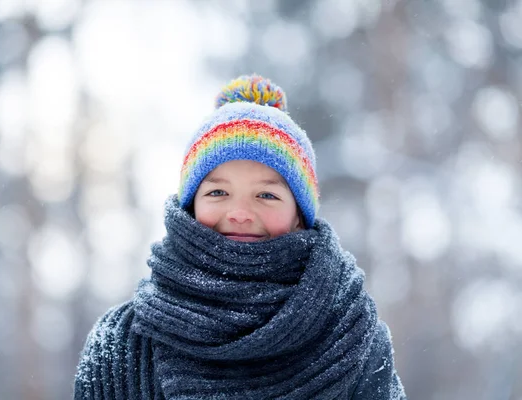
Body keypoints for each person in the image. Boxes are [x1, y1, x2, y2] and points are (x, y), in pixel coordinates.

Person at [74, 75, 407, 399]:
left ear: (299, 216)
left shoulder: (351, 330)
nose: (240, 212)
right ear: (190, 205)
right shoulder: (121, 339)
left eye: (266, 195)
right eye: (218, 191)